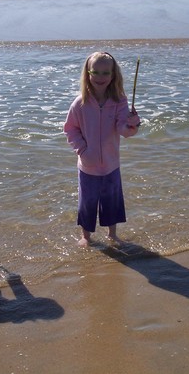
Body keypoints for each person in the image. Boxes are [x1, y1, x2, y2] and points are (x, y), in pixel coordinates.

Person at [64, 51, 141, 246]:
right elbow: (70, 129)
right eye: (95, 72)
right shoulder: (79, 103)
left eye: (106, 73)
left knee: (112, 201)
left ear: (113, 75)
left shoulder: (119, 101)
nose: (100, 77)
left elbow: (123, 130)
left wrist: (133, 124)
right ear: (87, 73)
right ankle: (86, 236)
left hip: (111, 164)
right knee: (87, 203)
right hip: (87, 165)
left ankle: (112, 234)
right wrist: (82, 150)